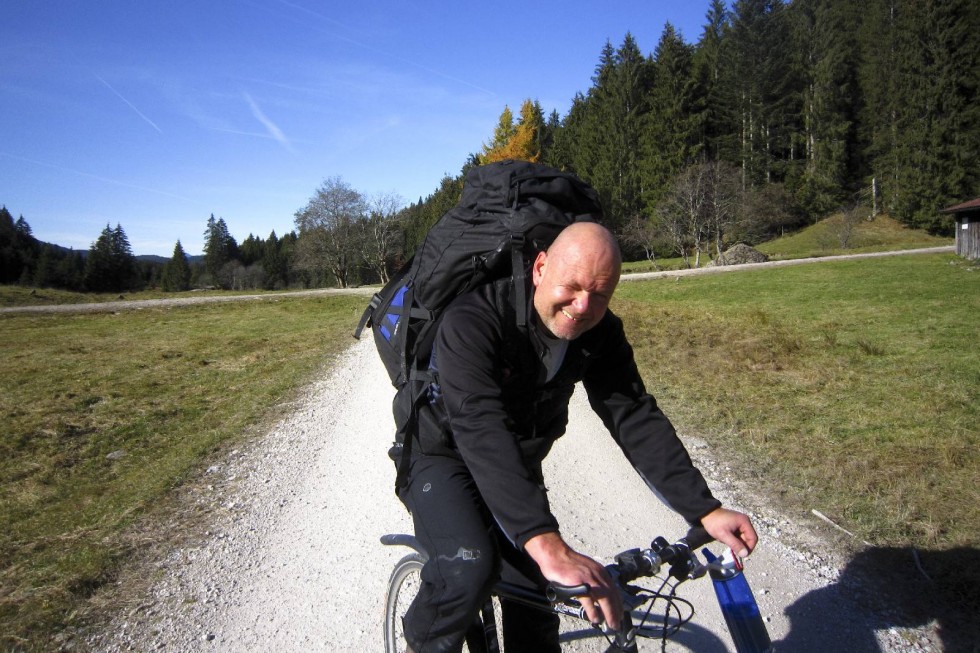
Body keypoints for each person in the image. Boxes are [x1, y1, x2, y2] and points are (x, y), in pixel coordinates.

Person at [397, 221, 757, 652]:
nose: (583, 306)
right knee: (467, 569)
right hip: (440, 454)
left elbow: (633, 414)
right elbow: (479, 425)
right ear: (540, 267)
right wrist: (545, 542)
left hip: (516, 458)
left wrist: (704, 509)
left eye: (601, 294)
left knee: (537, 602)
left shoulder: (601, 332)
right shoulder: (473, 321)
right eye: (573, 286)